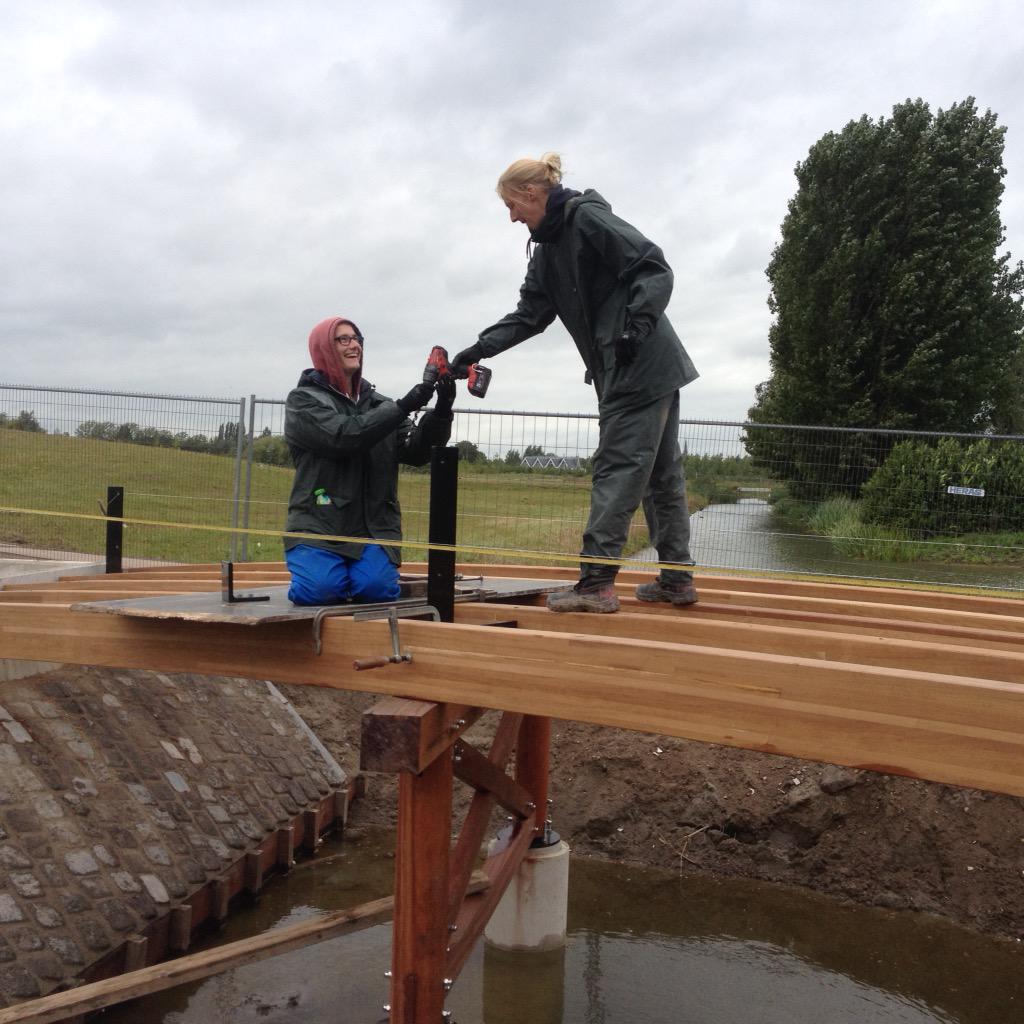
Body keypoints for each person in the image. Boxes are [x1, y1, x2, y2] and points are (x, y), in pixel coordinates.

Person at [451, 153, 699, 614]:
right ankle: (677, 580)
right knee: (661, 477)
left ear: (532, 193)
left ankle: (596, 584)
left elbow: (652, 265)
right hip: (643, 366)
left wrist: (637, 325)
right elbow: (529, 315)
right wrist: (478, 349)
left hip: (637, 361)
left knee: (618, 468)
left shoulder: (586, 219)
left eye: (512, 205)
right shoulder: (546, 253)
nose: (511, 217)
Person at [283, 316, 454, 605]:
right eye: (343, 339)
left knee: (374, 590)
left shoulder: (380, 405)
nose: (354, 346)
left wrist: (442, 409)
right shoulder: (303, 402)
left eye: (357, 339)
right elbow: (343, 437)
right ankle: (328, 577)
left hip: (374, 527)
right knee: (321, 590)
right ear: (323, 347)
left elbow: (416, 452)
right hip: (318, 525)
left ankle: (351, 580)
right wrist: (406, 404)